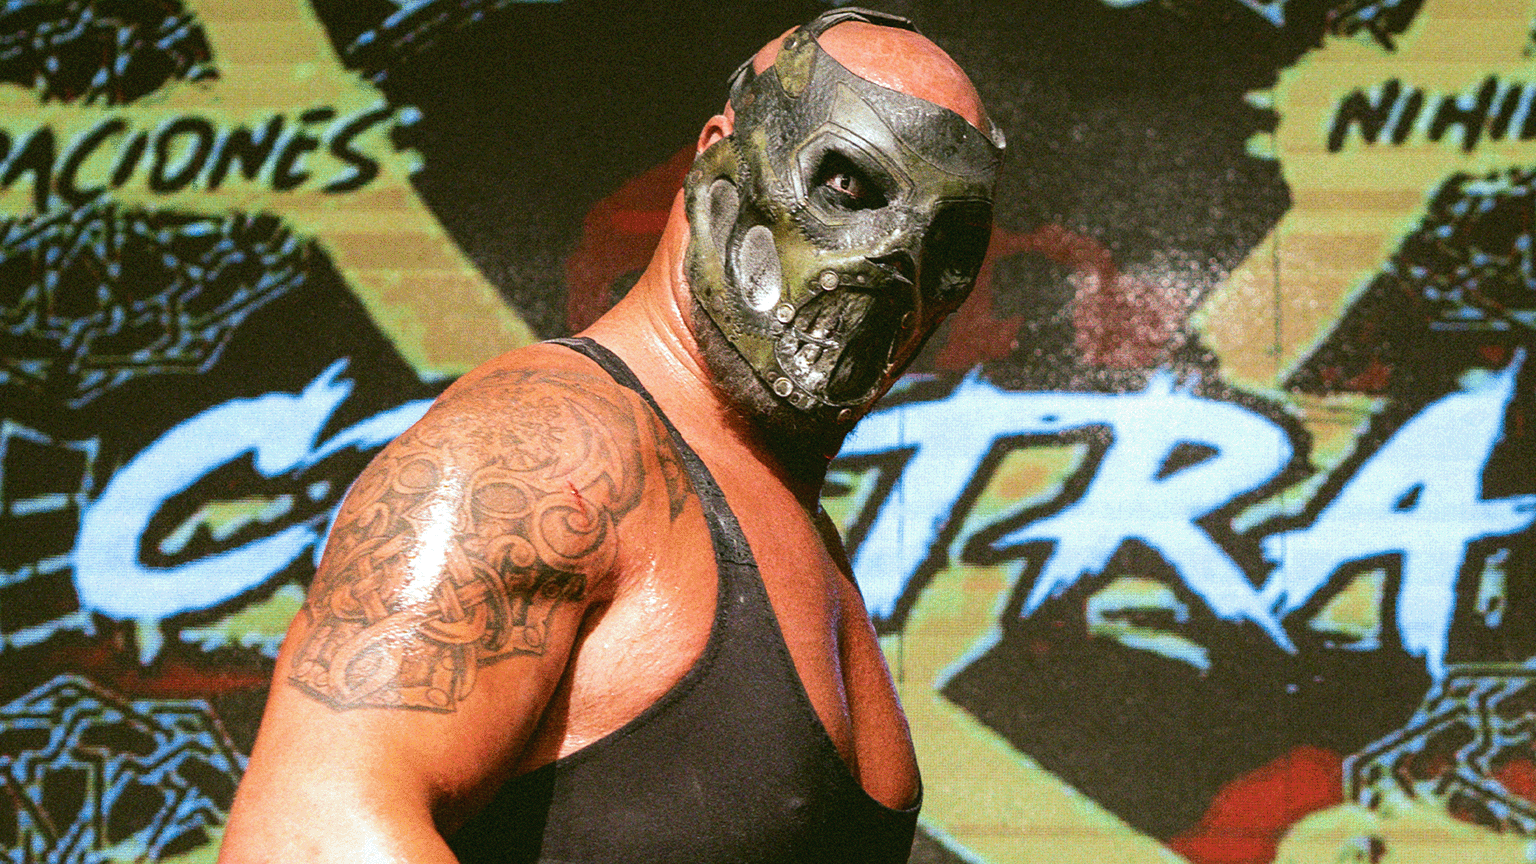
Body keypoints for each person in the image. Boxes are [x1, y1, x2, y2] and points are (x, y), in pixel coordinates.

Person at [218, 8, 1002, 862]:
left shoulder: (787, 517)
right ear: (717, 155)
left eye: (947, 239)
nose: (890, 261)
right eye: (847, 187)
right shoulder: (545, 445)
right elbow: (306, 831)